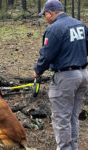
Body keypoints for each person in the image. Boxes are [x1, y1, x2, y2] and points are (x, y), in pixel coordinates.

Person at [33, 0, 88, 150]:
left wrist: (37, 70)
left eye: (45, 14)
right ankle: (73, 147)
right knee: (72, 116)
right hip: (83, 75)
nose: (45, 18)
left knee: (61, 118)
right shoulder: (80, 25)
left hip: (65, 78)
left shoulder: (54, 29)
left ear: (50, 13)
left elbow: (47, 55)